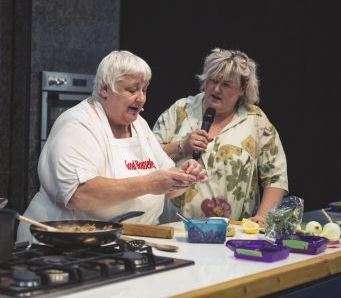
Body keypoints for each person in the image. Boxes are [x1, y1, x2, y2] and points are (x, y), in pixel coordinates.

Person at [17, 50, 207, 242]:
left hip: (120, 245)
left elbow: (167, 187)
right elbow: (80, 195)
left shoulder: (139, 125)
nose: (141, 98)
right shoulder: (78, 125)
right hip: (59, 246)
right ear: (105, 89)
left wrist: (184, 177)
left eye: (144, 89)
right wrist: (149, 183)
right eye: (132, 90)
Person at [153, 48, 288, 225]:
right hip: (175, 231)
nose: (216, 89)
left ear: (243, 88)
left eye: (226, 84)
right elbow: (147, 159)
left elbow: (276, 177)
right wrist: (183, 147)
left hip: (233, 235)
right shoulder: (182, 110)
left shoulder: (255, 120)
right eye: (212, 81)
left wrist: (262, 218)